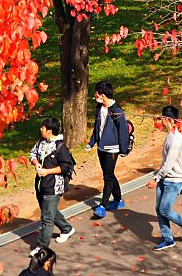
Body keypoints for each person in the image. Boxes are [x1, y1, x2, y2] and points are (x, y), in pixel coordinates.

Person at [147, 105, 182, 250]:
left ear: (167, 119)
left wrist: (156, 179)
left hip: (174, 180)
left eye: (163, 118)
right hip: (165, 178)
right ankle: (167, 238)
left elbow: (169, 164)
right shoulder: (171, 135)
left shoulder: (175, 139)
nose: (162, 120)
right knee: (159, 209)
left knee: (164, 209)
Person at [28, 117, 77, 255]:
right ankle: (67, 228)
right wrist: (36, 163)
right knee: (50, 211)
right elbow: (32, 154)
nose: (40, 129)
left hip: (53, 187)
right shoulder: (41, 142)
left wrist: (47, 171)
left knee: (46, 218)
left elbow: (66, 167)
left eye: (43, 128)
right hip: (40, 185)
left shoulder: (60, 147)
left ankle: (42, 247)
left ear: (49, 131)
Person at [86, 80, 130, 219]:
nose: (95, 96)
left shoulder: (117, 112)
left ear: (102, 95)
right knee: (109, 174)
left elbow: (123, 132)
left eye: (97, 93)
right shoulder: (99, 108)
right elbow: (97, 128)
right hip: (101, 148)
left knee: (107, 176)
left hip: (112, 149)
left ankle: (103, 205)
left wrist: (123, 150)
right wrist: (91, 143)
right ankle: (118, 200)